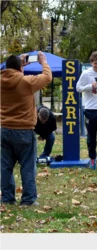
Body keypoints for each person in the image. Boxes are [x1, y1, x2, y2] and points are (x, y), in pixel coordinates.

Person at [1, 51, 52, 206]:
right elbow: (47, 77)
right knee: (28, 167)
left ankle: (7, 199)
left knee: (5, 167)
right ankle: (28, 200)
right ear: (20, 68)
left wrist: (18, 65)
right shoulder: (27, 82)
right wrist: (43, 61)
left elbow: (10, 74)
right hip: (24, 129)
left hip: (4, 128)